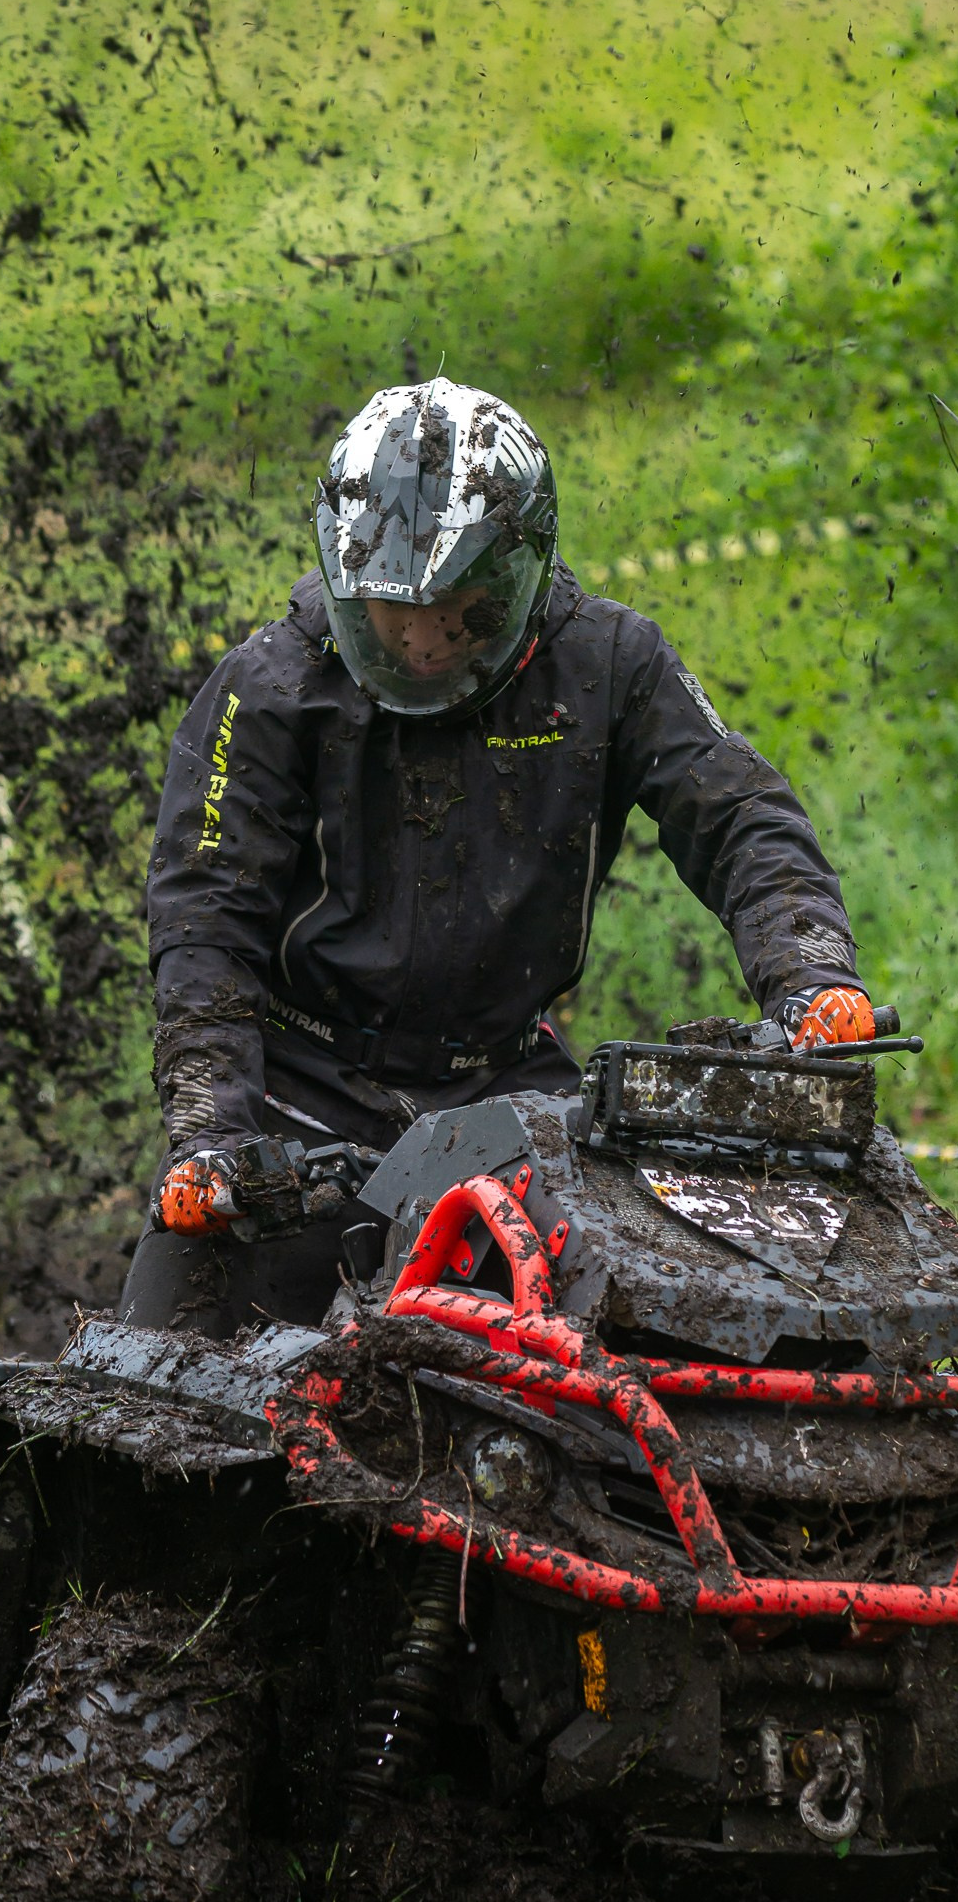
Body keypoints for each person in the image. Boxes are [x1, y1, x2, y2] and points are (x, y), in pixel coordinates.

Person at [123, 375, 880, 1338]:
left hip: (511, 1098)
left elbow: (741, 817)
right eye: (394, 614)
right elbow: (203, 916)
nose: (425, 642)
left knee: (650, 1343)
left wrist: (810, 969)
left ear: (523, 566)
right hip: (296, 1101)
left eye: (461, 609)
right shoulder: (272, 686)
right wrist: (211, 1129)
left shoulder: (611, 662)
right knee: (152, 1391)